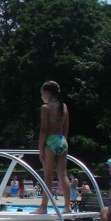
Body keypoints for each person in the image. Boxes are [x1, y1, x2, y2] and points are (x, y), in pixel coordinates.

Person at [32, 81, 71, 214]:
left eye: (42, 93)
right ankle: (67, 206)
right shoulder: (64, 106)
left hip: (50, 141)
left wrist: (40, 148)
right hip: (62, 141)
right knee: (63, 174)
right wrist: (63, 140)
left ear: (47, 93)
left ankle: (43, 207)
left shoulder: (45, 108)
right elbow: (66, 128)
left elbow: (44, 129)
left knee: (48, 176)